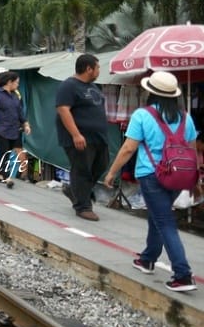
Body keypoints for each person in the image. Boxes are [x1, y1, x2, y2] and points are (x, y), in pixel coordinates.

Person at [102, 71, 198, 292]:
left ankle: (182, 274)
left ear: (150, 92)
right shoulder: (186, 117)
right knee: (158, 216)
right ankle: (147, 259)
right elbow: (191, 150)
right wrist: (196, 179)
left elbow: (128, 148)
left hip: (152, 175)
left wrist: (111, 172)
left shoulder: (142, 115)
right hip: (179, 175)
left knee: (164, 221)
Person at [55, 53, 108, 221]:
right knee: (82, 170)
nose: (99, 71)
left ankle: (75, 191)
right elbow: (63, 110)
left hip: (98, 137)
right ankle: (83, 207)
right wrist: (76, 134)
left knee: (101, 166)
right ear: (89, 68)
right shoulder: (69, 86)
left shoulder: (93, 86)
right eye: (97, 67)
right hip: (80, 138)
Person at [0, 71, 31, 188]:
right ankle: (7, 177)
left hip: (13, 129)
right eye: (16, 82)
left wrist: (25, 124)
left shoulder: (15, 96)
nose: (18, 85)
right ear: (9, 82)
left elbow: (19, 112)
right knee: (4, 152)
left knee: (6, 153)